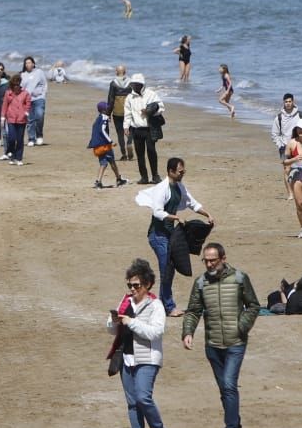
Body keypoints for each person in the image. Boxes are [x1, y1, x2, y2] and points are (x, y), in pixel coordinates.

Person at [181, 241, 261, 428]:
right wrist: (188, 332)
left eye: (212, 260)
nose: (208, 265)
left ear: (223, 259)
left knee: (228, 385)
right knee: (225, 390)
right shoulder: (200, 283)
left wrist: (241, 327)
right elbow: (193, 310)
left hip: (235, 342)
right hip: (213, 344)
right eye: (205, 261)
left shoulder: (239, 278)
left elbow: (253, 306)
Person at [110, 258, 172, 428]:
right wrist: (114, 322)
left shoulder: (156, 306)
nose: (132, 288)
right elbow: (113, 331)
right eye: (129, 284)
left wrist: (131, 322)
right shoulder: (125, 302)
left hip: (148, 359)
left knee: (143, 397)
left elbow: (156, 332)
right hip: (127, 359)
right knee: (132, 402)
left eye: (136, 285)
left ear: (147, 284)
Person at [137, 157, 211, 317]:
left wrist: (207, 214)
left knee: (169, 269)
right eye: (180, 171)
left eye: (184, 171)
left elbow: (192, 203)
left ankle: (163, 304)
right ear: (171, 171)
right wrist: (176, 218)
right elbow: (157, 212)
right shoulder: (161, 189)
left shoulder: (179, 186)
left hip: (170, 234)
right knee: (166, 268)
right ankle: (168, 306)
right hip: (157, 235)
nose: (183, 173)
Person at [123, 74, 163, 184]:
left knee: (151, 151)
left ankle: (155, 176)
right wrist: (126, 127)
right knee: (140, 154)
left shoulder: (151, 94)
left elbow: (161, 107)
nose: (135, 86)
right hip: (136, 129)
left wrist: (150, 111)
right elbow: (127, 113)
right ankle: (144, 177)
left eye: (137, 84)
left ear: (142, 84)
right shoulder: (129, 98)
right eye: (133, 84)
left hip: (149, 129)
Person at [269, 94, 302, 194]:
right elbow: (274, 134)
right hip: (284, 147)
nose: (288, 103)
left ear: (293, 102)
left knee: (300, 169)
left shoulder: (300, 115)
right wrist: (279, 144)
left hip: (298, 146)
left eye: (290, 101)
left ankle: (299, 191)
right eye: (286, 102)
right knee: (287, 170)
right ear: (283, 103)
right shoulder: (279, 117)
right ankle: (290, 193)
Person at [89, 101, 127, 189]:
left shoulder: (98, 119)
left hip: (98, 145)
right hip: (105, 145)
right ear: (104, 110)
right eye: (107, 108)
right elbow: (102, 130)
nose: (108, 109)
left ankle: (99, 181)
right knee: (111, 162)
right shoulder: (104, 118)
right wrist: (110, 141)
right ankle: (118, 179)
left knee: (104, 163)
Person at [1, 73, 32, 167]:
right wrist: (2, 117)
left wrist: (26, 112)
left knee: (20, 140)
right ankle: (11, 153)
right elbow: (4, 106)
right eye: (14, 85)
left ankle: (18, 158)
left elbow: (28, 103)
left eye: (18, 84)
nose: (16, 87)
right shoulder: (8, 93)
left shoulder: (25, 93)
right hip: (11, 119)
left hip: (21, 119)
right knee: (11, 138)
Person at [19, 56, 47, 146]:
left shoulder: (39, 72)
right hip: (27, 100)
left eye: (29, 62)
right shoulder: (23, 74)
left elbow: (44, 84)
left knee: (39, 115)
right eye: (26, 63)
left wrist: (43, 94)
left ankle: (39, 135)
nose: (28, 64)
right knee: (30, 120)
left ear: (33, 64)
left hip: (39, 98)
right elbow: (21, 88)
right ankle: (31, 138)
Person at [107, 65, 133, 160]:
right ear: (125, 72)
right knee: (130, 129)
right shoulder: (131, 83)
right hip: (128, 110)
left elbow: (111, 99)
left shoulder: (113, 83)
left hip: (117, 111)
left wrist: (108, 113)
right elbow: (134, 97)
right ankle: (129, 142)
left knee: (120, 133)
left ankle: (124, 154)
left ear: (116, 72)